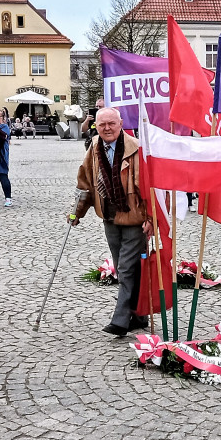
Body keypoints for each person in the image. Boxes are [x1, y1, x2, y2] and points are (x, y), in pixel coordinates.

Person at [71, 108, 152, 337]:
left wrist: (151, 218)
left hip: (135, 218)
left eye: (111, 123)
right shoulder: (94, 148)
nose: (107, 128)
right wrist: (76, 213)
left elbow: (149, 187)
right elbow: (85, 181)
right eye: (102, 124)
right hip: (109, 217)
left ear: (121, 123)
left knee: (126, 269)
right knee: (125, 268)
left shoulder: (136, 148)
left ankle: (120, 321)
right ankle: (139, 315)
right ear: (96, 125)